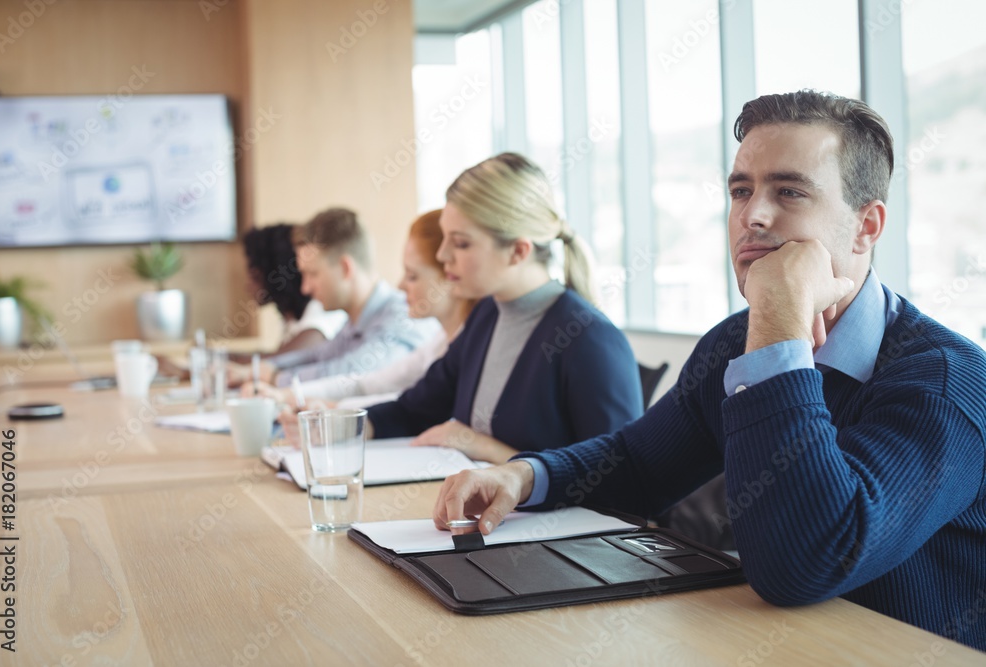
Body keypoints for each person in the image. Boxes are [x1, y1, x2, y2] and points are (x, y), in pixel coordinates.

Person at [432, 91, 986, 650]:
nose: (752, 216)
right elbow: (637, 464)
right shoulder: (734, 341)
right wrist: (524, 477)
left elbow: (802, 563)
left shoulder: (945, 382)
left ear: (867, 226)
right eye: (741, 190)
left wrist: (778, 322)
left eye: (789, 191)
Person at [364, 153, 645, 464]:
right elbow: (414, 409)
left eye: (460, 243)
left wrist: (487, 449)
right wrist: (345, 427)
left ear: (518, 251)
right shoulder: (486, 315)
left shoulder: (589, 339)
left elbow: (618, 480)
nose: (443, 255)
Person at [247, 209, 475, 408]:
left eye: (312, 273)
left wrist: (278, 380)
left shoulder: (402, 317)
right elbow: (352, 376)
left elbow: (358, 375)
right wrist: (272, 377)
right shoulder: (353, 322)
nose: (305, 288)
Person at [229, 223, 347, 364]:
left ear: (276, 275)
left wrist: (220, 358)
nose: (247, 285)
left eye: (254, 276)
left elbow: (279, 361)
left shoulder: (323, 311)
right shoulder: (293, 317)